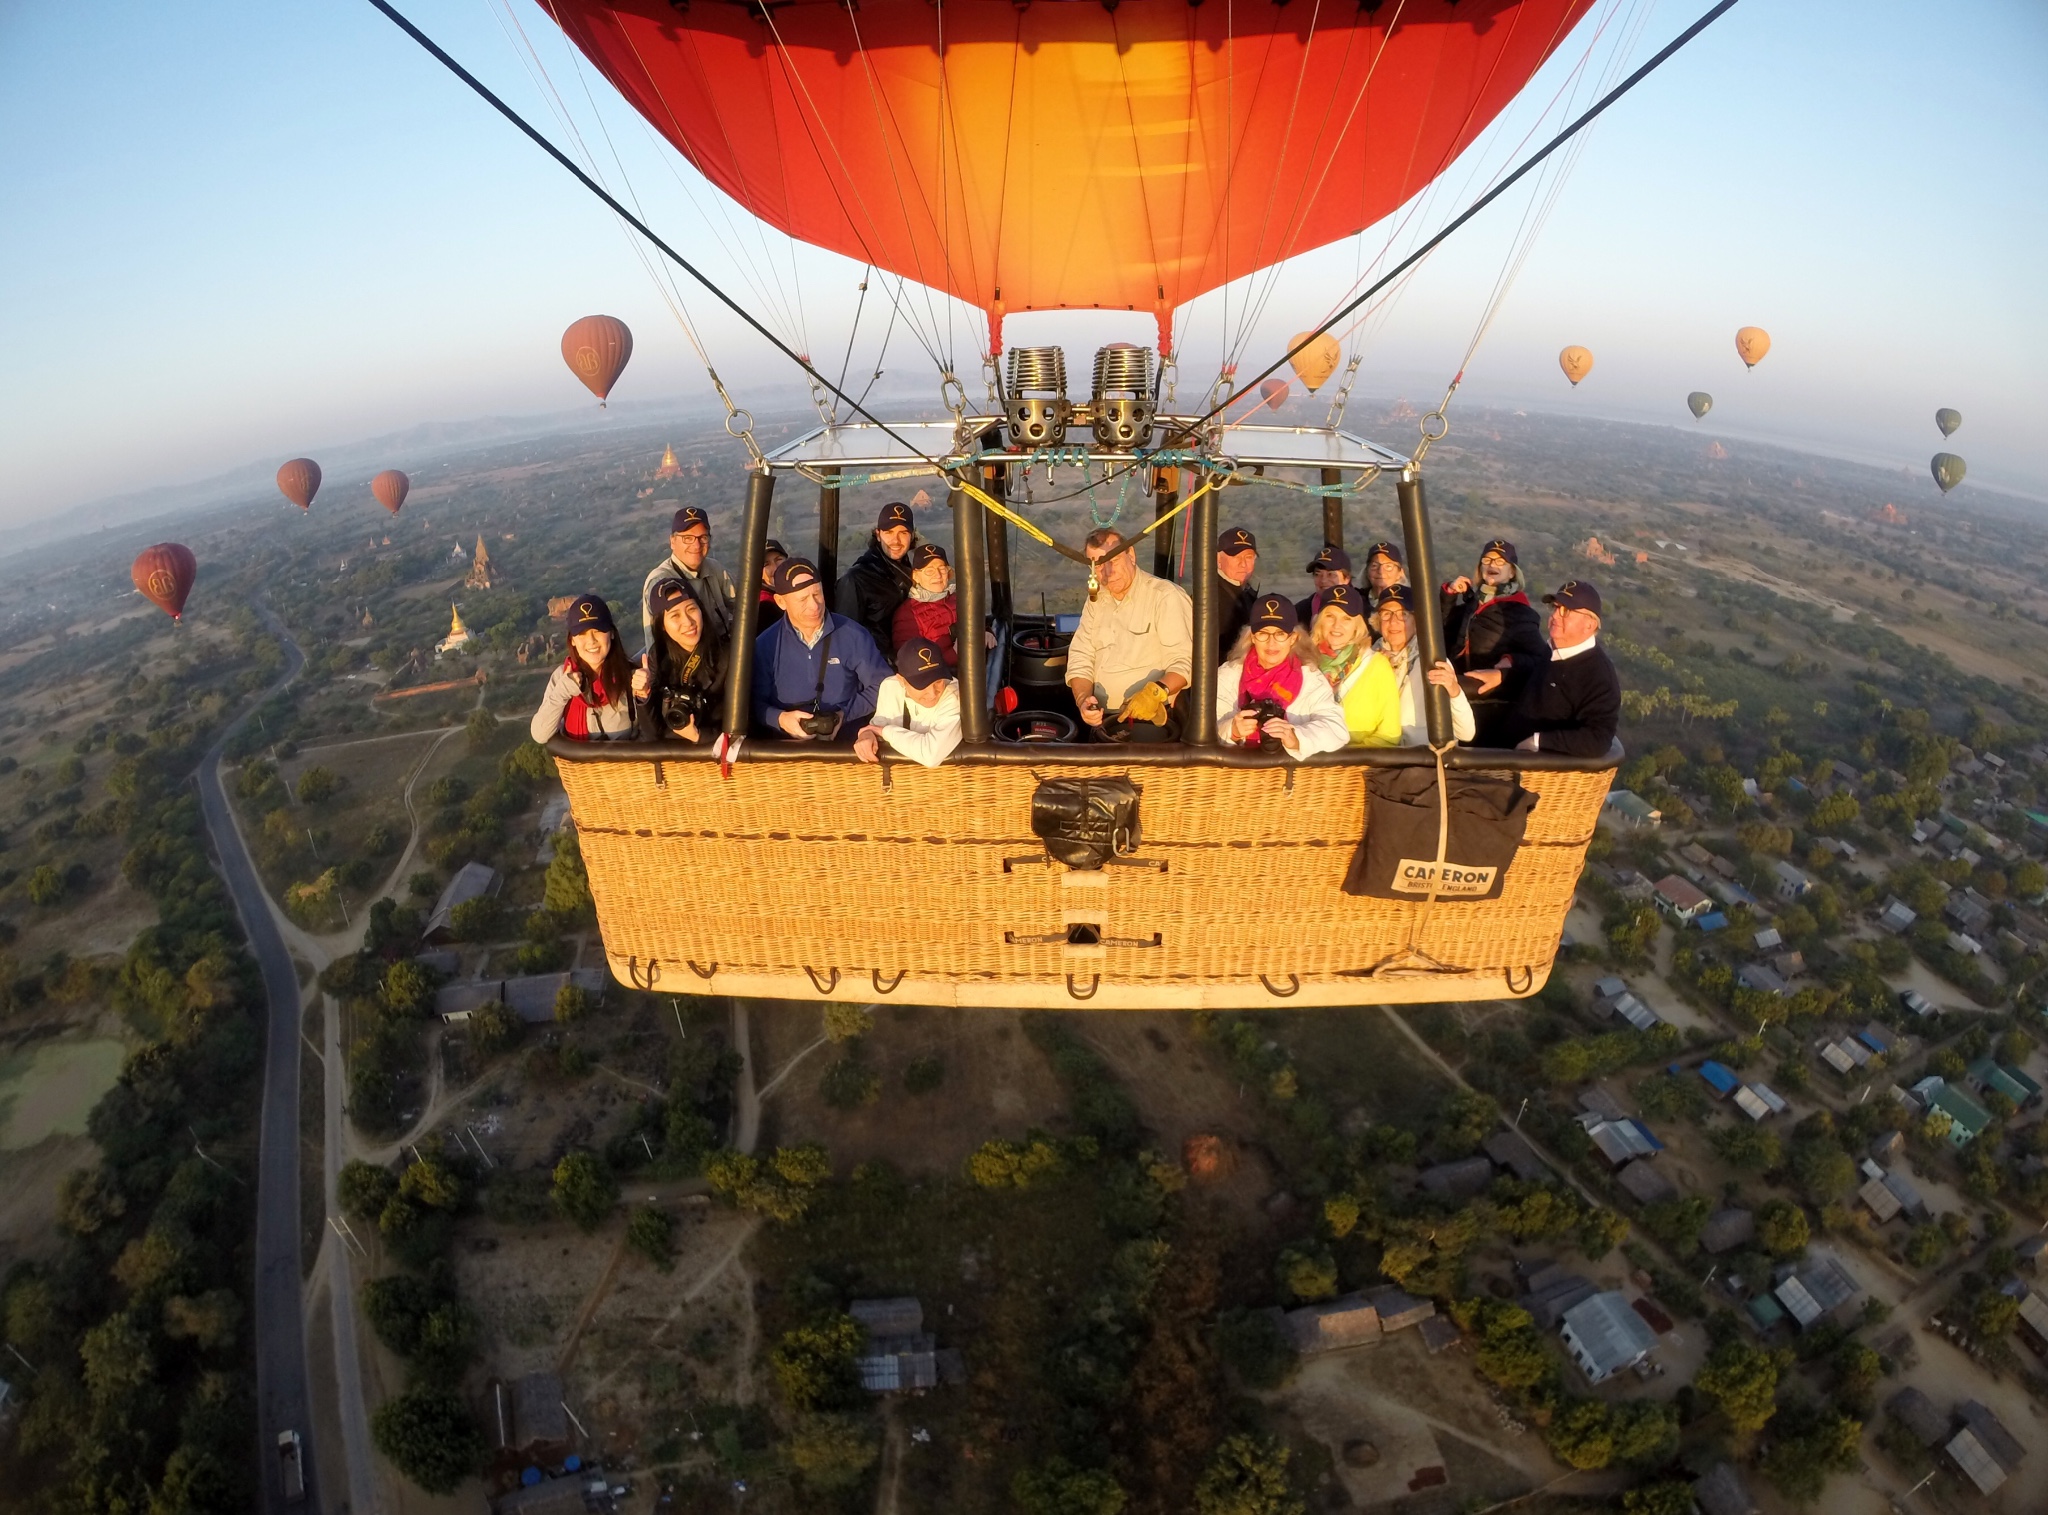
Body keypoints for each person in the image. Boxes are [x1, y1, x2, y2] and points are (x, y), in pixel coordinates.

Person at [1067, 527, 1194, 742]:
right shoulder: (1096, 601)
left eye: (1113, 561)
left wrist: (1154, 693)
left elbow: (1185, 662)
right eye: (1098, 565)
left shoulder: (1165, 597)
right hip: (1104, 723)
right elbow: (1081, 656)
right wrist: (1083, 701)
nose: (1107, 572)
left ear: (1131, 555)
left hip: (1150, 723)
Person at [752, 556, 891, 740]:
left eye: (817, 594)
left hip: (846, 746)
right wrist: (780, 718)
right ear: (781, 602)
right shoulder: (765, 645)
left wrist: (843, 715)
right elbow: (752, 702)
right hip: (787, 751)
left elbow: (885, 686)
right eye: (802, 599)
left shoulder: (853, 635)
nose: (814, 606)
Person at [1439, 537, 1547, 744]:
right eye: (1487, 560)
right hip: (1456, 694)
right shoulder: (1474, 604)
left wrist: (1506, 668)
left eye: (1500, 561)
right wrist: (1449, 595)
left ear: (1512, 572)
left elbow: (1541, 659)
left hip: (1484, 705)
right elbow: (1440, 629)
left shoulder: (1518, 613)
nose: (1491, 565)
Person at [1215, 595, 1349, 760]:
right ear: (1252, 637)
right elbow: (1207, 727)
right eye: (1263, 634)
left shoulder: (1311, 678)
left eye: (1280, 634)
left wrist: (1294, 736)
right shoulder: (1229, 674)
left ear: (1293, 638)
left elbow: (1337, 729)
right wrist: (1232, 730)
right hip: (1235, 778)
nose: (1272, 643)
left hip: (1291, 778)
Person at [1497, 580, 1621, 756]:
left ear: (1590, 625)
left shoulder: (1599, 675)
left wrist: (1538, 741)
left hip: (1524, 770)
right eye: (1555, 608)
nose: (1555, 615)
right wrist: (1504, 672)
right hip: (1502, 747)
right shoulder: (1553, 650)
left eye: (1566, 611)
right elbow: (1538, 671)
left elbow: (1598, 738)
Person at [1373, 586, 1476, 747]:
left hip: (1422, 760)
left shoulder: (1432, 662)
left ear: (1417, 621)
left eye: (1402, 614)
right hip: (1376, 755)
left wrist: (1454, 690)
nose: (1393, 622)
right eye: (1386, 614)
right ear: (1378, 621)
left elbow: (1467, 732)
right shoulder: (1367, 661)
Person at [1305, 584, 1401, 747]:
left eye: (1346, 619)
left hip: (1359, 766)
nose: (1337, 625)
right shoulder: (1302, 663)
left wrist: (1348, 758)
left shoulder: (1377, 665)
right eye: (1330, 616)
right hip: (1307, 763)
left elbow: (1389, 734)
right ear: (1319, 620)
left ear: (1358, 624)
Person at [632, 578, 726, 743]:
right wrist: (643, 696)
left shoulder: (728, 657)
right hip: (672, 762)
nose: (688, 622)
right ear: (662, 625)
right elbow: (651, 734)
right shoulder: (658, 657)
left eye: (691, 609)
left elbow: (746, 725)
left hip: (718, 759)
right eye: (675, 615)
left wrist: (699, 736)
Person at [531, 594, 636, 742]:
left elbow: (650, 734)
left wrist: (645, 697)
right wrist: (563, 692)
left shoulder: (630, 676)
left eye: (597, 631)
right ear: (572, 640)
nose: (591, 641)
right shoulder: (562, 676)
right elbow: (540, 735)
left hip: (626, 765)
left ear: (611, 634)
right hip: (581, 766)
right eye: (582, 634)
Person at [854, 637, 963, 769]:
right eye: (922, 685)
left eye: (938, 681)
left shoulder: (954, 693)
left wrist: (885, 732)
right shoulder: (890, 687)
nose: (933, 693)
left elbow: (930, 755)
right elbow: (876, 730)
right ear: (901, 680)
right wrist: (867, 735)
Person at [642, 505, 738, 651]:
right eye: (687, 538)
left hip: (722, 654)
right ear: (672, 541)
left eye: (703, 537)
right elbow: (655, 641)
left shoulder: (715, 568)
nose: (696, 545)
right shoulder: (661, 582)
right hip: (686, 666)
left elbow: (741, 606)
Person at [836, 500, 917, 657]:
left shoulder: (908, 573)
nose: (896, 540)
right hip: (877, 670)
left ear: (912, 536)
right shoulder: (856, 579)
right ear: (878, 535)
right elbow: (845, 638)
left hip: (907, 663)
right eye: (889, 532)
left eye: (903, 533)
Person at [891, 542, 962, 665]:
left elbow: (978, 621)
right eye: (929, 571)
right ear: (916, 576)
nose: (938, 575)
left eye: (942, 569)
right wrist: (955, 653)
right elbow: (911, 664)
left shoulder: (958, 599)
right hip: (942, 680)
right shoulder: (908, 614)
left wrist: (986, 632)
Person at [1213, 525, 1260, 661]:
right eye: (1235, 557)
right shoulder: (1210, 596)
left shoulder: (1247, 593)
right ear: (1218, 559)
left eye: (1248, 557)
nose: (1243, 564)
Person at [1295, 544, 1354, 626]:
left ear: (1346, 578)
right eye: (1317, 574)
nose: (1323, 580)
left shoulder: (1363, 609)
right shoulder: (1300, 612)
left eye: (1330, 574)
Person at [756, 538, 789, 632]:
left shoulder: (804, 592)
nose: (775, 568)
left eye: (778, 559)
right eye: (766, 564)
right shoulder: (764, 607)